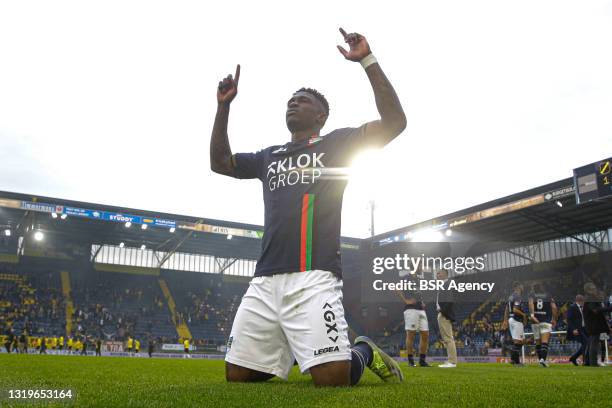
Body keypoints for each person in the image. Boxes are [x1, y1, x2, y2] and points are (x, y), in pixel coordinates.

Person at [211, 27, 406, 386]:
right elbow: (220, 163)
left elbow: (395, 123)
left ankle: (363, 351)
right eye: (290, 99)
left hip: (314, 276)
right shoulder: (269, 156)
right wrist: (223, 107)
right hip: (266, 279)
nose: (293, 102)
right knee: (238, 378)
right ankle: (289, 341)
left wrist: (367, 60)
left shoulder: (337, 144)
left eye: (302, 99)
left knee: (333, 380)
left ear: (320, 116)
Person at [398, 283, 429, 367]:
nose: (422, 268)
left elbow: (418, 294)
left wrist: (422, 302)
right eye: (421, 268)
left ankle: (422, 361)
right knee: (411, 334)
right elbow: (396, 288)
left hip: (421, 310)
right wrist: (405, 300)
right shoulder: (406, 277)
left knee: (425, 334)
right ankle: (410, 361)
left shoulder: (419, 279)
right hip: (411, 309)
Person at [528, 284, 557, 367]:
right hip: (545, 320)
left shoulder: (532, 295)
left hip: (535, 321)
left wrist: (532, 315)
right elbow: (554, 307)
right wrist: (554, 319)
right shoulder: (548, 295)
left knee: (538, 342)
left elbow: (530, 304)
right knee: (544, 341)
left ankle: (541, 361)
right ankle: (543, 360)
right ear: (542, 288)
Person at [583, 282, 612, 367]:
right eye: (593, 288)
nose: (595, 290)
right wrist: (609, 308)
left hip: (594, 324)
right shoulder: (590, 298)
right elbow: (595, 310)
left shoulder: (590, 298)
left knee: (593, 342)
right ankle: (593, 363)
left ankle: (589, 362)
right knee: (594, 343)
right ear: (589, 290)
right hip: (594, 325)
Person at [502, 282, 530, 366]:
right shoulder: (518, 296)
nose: (523, 287)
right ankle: (516, 361)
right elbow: (514, 309)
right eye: (522, 286)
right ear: (518, 287)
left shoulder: (511, 296)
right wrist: (524, 315)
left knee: (520, 341)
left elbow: (507, 308)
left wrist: (505, 320)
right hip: (516, 319)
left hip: (511, 319)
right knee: (518, 342)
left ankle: (513, 360)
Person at [435, 269, 456, 368]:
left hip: (444, 314)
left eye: (439, 273)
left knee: (448, 338)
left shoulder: (447, 284)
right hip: (442, 313)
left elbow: (449, 301)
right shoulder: (443, 285)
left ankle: (452, 362)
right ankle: (450, 360)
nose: (437, 274)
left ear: (444, 274)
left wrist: (443, 312)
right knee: (446, 339)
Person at [566, 294, 588, 365]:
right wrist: (573, 329)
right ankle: (585, 361)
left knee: (586, 343)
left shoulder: (583, 307)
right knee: (586, 343)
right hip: (577, 329)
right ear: (579, 301)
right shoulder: (572, 307)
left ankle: (574, 358)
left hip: (584, 329)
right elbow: (569, 319)